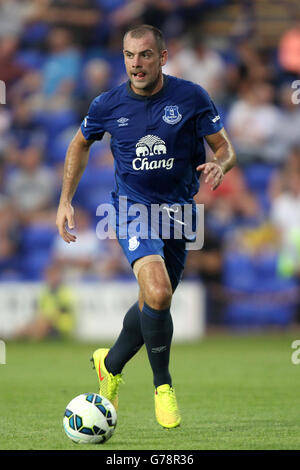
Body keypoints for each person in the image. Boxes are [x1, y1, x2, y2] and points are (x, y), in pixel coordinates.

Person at [56, 24, 236, 429]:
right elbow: (79, 143)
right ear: (123, 57)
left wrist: (219, 165)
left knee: (156, 300)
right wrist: (65, 200)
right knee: (157, 290)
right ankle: (163, 385)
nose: (136, 64)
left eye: (145, 55)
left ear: (163, 57)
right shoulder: (107, 104)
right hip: (130, 207)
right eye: (129, 55)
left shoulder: (191, 96)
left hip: (178, 212)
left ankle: (110, 364)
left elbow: (225, 148)